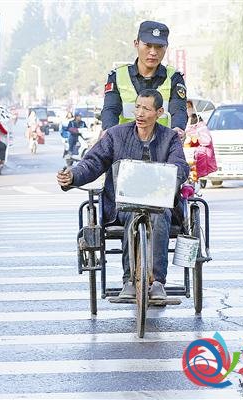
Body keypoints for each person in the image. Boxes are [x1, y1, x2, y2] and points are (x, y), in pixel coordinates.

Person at [57, 89, 189, 300]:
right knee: (133, 215)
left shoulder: (170, 138)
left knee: (159, 216)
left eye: (147, 109)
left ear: (159, 113)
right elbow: (93, 162)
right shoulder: (115, 135)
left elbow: (180, 166)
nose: (140, 113)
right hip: (122, 204)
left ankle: (157, 283)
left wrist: (171, 177)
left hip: (160, 203)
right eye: (137, 107)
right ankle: (129, 280)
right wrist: (73, 176)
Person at [101, 20, 188, 139]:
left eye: (159, 47)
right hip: (124, 144)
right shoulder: (117, 76)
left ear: (166, 47)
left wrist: (178, 129)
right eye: (148, 45)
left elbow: (179, 110)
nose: (153, 52)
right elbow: (110, 110)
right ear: (136, 44)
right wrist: (108, 132)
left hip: (162, 145)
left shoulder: (174, 77)